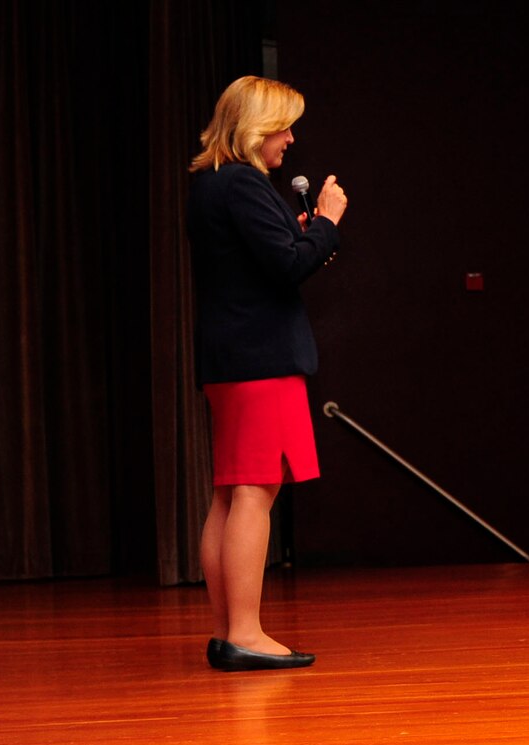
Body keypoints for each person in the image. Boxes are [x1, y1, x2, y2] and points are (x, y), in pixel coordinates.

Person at [188, 75, 347, 671]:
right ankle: (245, 634)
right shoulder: (244, 184)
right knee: (255, 490)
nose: (290, 137)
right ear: (256, 128)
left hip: (229, 358)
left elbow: (262, 261)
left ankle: (229, 629)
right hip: (260, 358)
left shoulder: (209, 185)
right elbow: (284, 269)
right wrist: (327, 224)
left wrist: (301, 240)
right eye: (282, 125)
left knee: (231, 491)